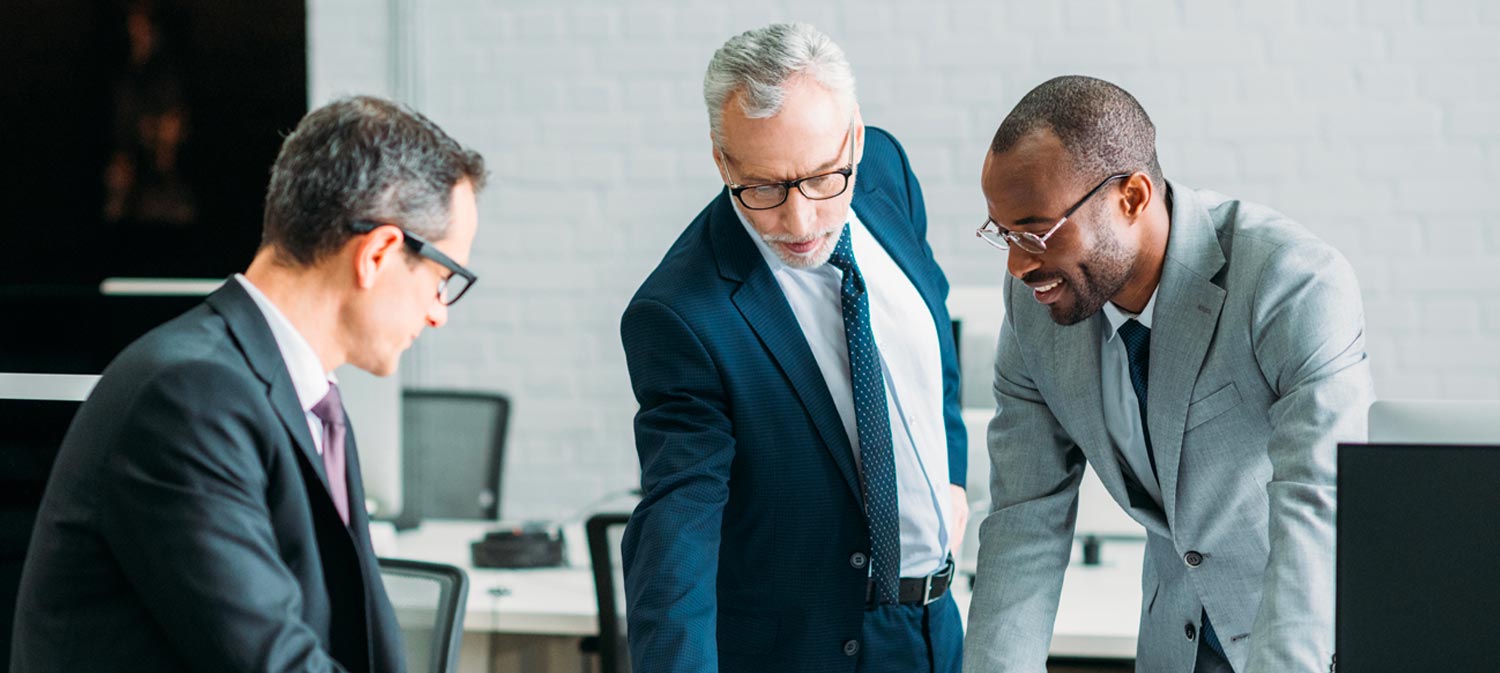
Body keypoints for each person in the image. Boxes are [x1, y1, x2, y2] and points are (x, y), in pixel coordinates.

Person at [11, 95, 486, 673]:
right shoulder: (190, 395)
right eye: (443, 278)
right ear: (379, 253)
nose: (440, 312)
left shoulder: (298, 392)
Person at [962, 75, 1374, 673]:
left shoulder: (1291, 281)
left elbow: (1317, 499)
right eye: (1004, 233)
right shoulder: (1035, 306)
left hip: (1304, 643)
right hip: (1173, 647)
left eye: (1036, 231)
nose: (1019, 263)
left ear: (1131, 196)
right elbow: (1024, 518)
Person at [619, 22, 967, 673]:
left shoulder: (885, 170)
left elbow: (929, 334)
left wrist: (951, 475)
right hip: (812, 648)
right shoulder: (682, 314)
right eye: (764, 188)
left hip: (938, 629)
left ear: (855, 137)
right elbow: (676, 533)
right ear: (723, 162)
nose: (800, 221)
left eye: (820, 179)